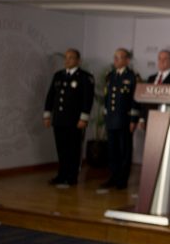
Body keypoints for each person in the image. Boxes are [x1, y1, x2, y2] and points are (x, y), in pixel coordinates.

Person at [43, 48, 95, 187]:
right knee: (61, 149)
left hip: (74, 120)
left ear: (78, 60)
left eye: (71, 57)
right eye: (66, 57)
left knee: (73, 149)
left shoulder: (85, 77)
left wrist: (83, 118)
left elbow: (87, 100)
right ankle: (61, 175)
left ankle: (72, 177)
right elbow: (50, 96)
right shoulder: (58, 75)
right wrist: (47, 115)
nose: (67, 60)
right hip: (59, 119)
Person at [101, 48, 139, 190]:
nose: (116, 60)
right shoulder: (110, 75)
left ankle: (122, 180)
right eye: (115, 57)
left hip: (125, 120)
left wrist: (133, 119)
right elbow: (107, 98)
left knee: (124, 151)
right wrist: (106, 116)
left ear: (127, 60)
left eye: (119, 57)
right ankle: (113, 177)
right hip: (112, 119)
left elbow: (135, 100)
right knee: (112, 151)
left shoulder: (132, 77)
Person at [138, 49, 170, 129]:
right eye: (159, 58)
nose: (161, 61)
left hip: (166, 118)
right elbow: (144, 100)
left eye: (165, 59)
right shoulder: (151, 78)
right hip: (149, 118)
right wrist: (142, 118)